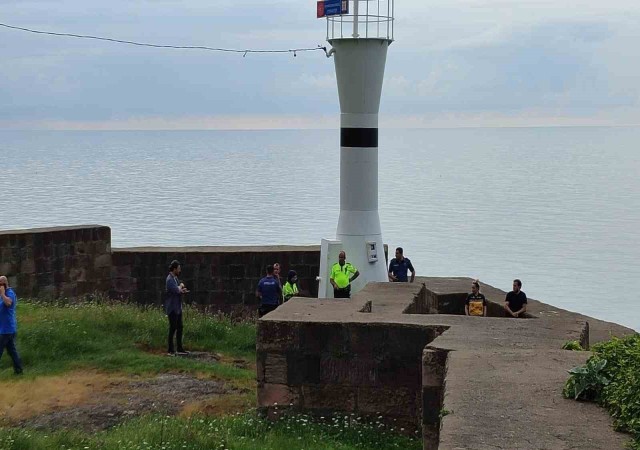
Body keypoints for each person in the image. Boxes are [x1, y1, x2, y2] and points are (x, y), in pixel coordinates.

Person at [0, 275, 23, 375]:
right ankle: (19, 370)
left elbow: (8, 303)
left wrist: (2, 293)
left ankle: (19, 369)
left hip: (7, 329)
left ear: (3, 284)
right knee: (12, 351)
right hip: (4, 328)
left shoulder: (10, 293)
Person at [165, 260, 189, 356]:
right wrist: (180, 287)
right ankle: (170, 350)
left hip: (178, 308)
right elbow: (176, 289)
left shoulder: (175, 278)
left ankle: (179, 348)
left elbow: (180, 287)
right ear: (174, 269)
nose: (180, 270)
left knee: (180, 327)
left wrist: (181, 288)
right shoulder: (170, 279)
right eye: (178, 269)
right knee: (173, 328)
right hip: (172, 308)